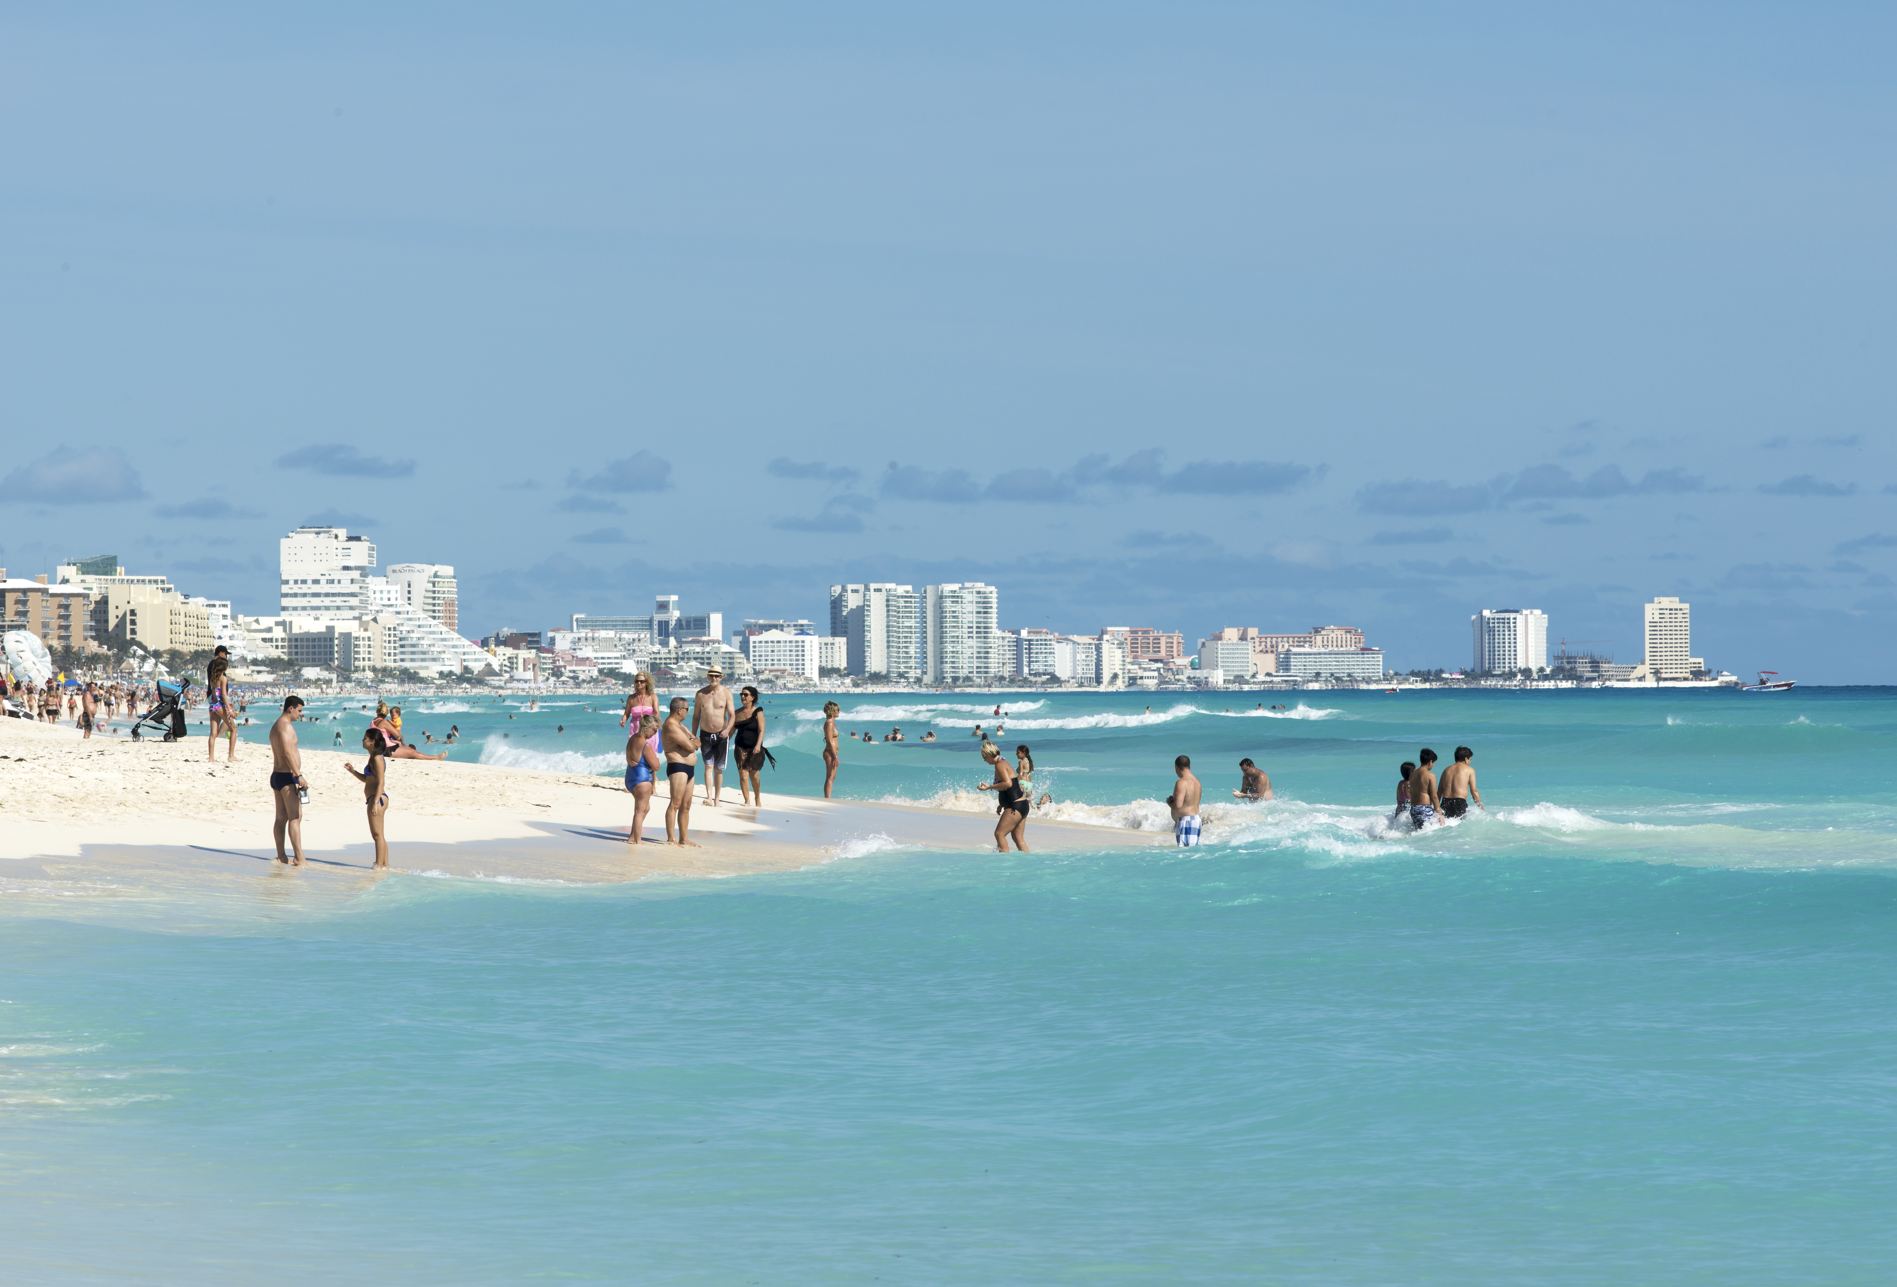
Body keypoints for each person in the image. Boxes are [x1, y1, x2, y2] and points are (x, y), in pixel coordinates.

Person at [269, 696, 308, 866]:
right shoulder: (284, 726)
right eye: (299, 710)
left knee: (281, 818)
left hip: (278, 775)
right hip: (286, 776)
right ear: (290, 708)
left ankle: (281, 856)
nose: (300, 714)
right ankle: (299, 857)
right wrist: (298, 775)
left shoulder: (277, 725)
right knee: (295, 817)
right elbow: (286, 752)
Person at [345, 728, 391, 869]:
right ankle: (384, 865)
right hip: (375, 798)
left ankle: (378, 865)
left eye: (365, 738)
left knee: (377, 835)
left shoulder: (377, 758)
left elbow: (381, 782)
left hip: (377, 799)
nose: (362, 740)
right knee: (380, 835)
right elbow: (368, 779)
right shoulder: (373, 757)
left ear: (372, 742)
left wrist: (375, 802)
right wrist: (353, 771)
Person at [976, 740, 1030, 852]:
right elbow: (1009, 787)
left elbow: (1008, 783)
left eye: (984, 757)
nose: (984, 760)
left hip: (1015, 806)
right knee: (1018, 838)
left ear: (990, 755)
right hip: (1022, 804)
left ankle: (1004, 862)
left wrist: (989, 787)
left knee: (999, 834)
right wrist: (1002, 804)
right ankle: (1028, 861)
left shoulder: (999, 765)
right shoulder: (1002, 761)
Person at [692, 667, 734, 806]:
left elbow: (732, 715)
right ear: (708, 677)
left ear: (721, 677)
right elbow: (696, 716)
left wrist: (728, 730)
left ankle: (717, 798)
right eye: (711, 676)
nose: (714, 678)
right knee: (708, 766)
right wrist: (693, 735)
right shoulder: (700, 694)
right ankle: (709, 797)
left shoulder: (726, 693)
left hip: (721, 735)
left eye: (717, 676)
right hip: (705, 735)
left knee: (719, 768)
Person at [662, 697, 700, 846]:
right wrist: (692, 743)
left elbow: (696, 741)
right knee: (675, 803)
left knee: (686, 805)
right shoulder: (671, 725)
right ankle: (671, 838)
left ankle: (684, 838)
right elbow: (692, 746)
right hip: (678, 766)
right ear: (679, 710)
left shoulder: (680, 725)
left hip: (689, 768)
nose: (687, 712)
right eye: (687, 709)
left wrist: (693, 742)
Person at [624, 713, 663, 845]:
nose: (655, 733)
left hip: (630, 777)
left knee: (645, 809)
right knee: (640, 811)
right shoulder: (646, 745)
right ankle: (637, 840)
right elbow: (656, 766)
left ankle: (632, 837)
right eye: (654, 729)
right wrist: (656, 759)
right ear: (647, 727)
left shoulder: (632, 738)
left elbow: (628, 755)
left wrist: (631, 760)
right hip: (642, 779)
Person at [732, 686, 769, 806]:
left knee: (755, 775)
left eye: (746, 695)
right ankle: (747, 800)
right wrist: (723, 741)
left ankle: (757, 797)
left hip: (754, 747)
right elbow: (731, 731)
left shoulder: (758, 711)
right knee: (743, 775)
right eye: (741, 694)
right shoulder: (736, 713)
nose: (743, 696)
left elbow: (762, 730)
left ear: (752, 697)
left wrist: (758, 745)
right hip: (740, 747)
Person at [206, 645, 235, 762]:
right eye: (225, 654)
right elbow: (223, 694)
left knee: (213, 732)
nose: (226, 656)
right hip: (219, 704)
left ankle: (211, 757)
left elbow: (214, 692)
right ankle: (231, 756)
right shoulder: (223, 678)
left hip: (213, 704)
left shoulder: (213, 676)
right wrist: (229, 709)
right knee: (233, 729)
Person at [1168, 754, 1203, 848]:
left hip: (1186, 821)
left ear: (1177, 767)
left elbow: (1178, 805)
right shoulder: (1197, 782)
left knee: (1184, 852)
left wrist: (1170, 802)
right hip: (1196, 819)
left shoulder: (1181, 782)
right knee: (1192, 853)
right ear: (1189, 766)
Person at [1439, 746, 1482, 818]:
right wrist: (1480, 806)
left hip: (1445, 802)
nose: (1470, 762)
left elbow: (1439, 791)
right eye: (1470, 759)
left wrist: (1436, 808)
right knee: (1459, 827)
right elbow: (1474, 791)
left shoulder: (1446, 770)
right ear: (1466, 759)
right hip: (1459, 802)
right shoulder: (1469, 770)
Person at [1408, 748, 1440, 829]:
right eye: (1433, 763)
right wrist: (1438, 811)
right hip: (1424, 808)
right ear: (1430, 762)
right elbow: (1434, 796)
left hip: (1414, 809)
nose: (1433, 765)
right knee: (1430, 834)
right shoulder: (1430, 775)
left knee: (1420, 833)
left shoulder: (1413, 774)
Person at [821, 700, 841, 799]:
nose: (839, 711)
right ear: (832, 711)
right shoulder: (829, 723)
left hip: (832, 752)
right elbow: (829, 741)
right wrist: (834, 756)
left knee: (832, 777)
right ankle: (827, 799)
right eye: (837, 710)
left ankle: (828, 797)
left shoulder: (832, 722)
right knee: (829, 777)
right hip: (830, 753)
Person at [1393, 761, 1416, 825]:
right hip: (1406, 809)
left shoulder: (1400, 783)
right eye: (1414, 771)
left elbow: (1398, 797)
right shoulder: (1408, 783)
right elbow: (1408, 797)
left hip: (1399, 808)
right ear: (1411, 773)